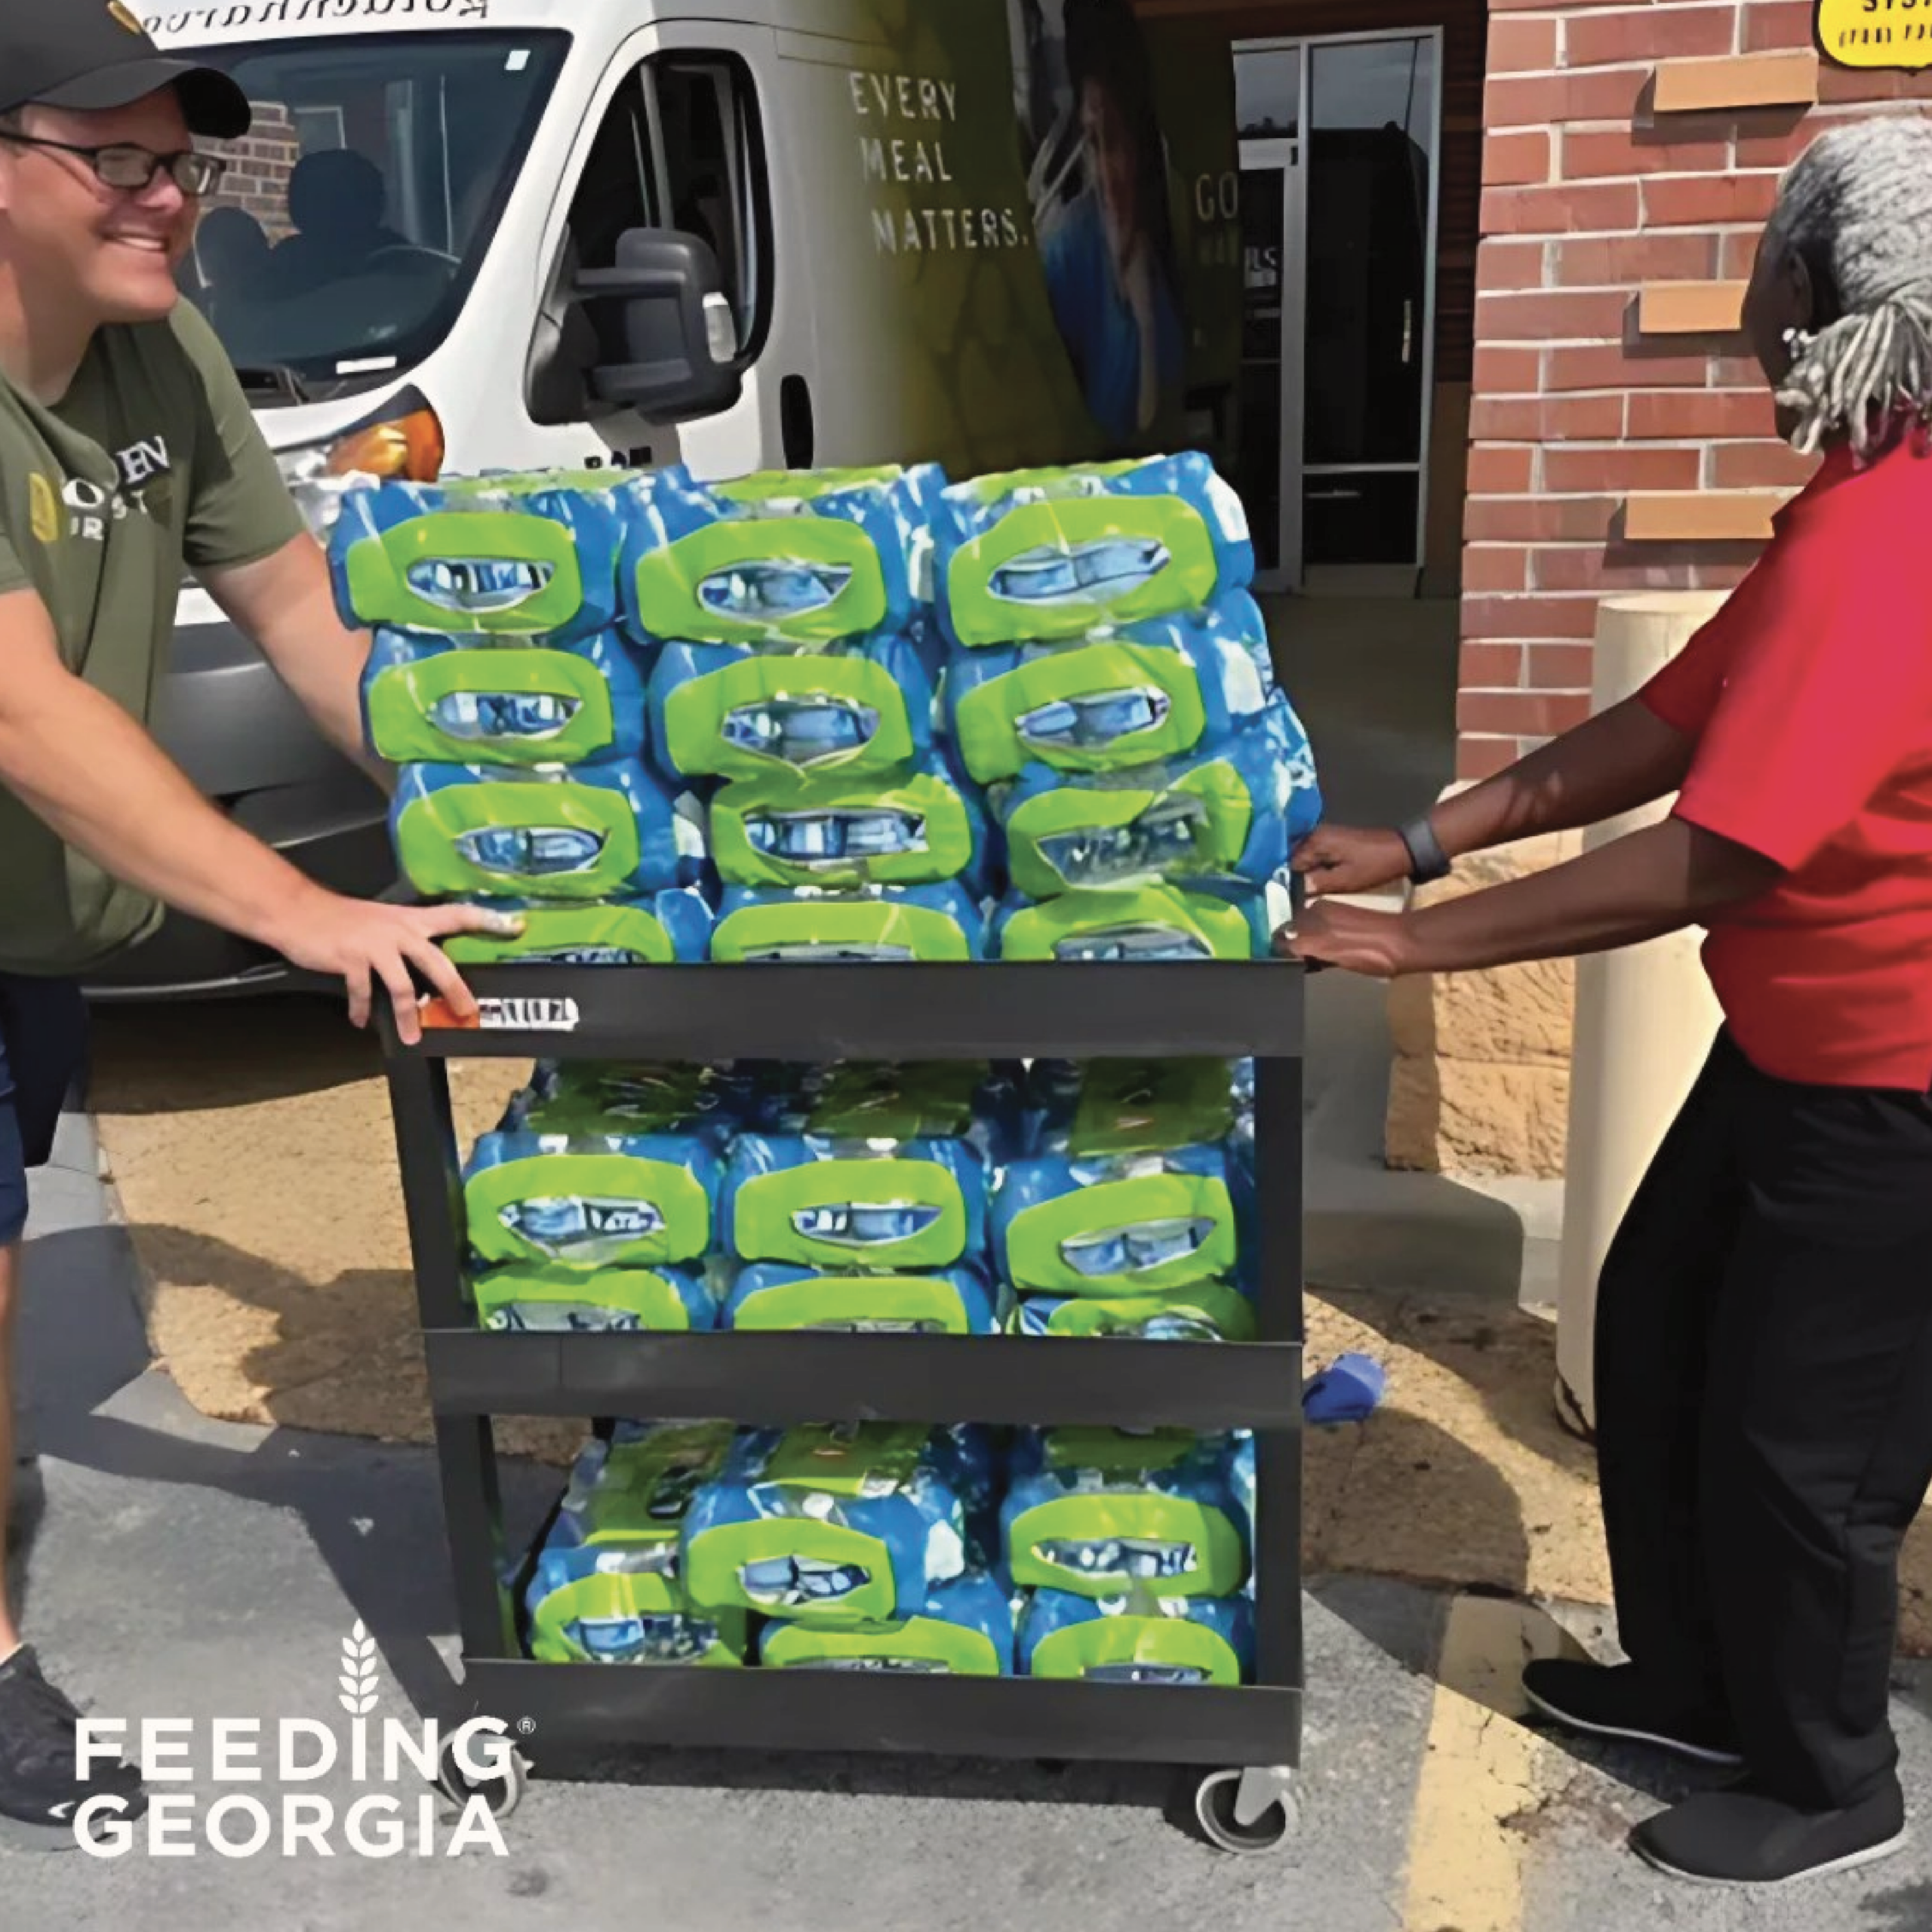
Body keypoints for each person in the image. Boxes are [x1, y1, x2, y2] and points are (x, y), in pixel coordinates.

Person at [1284, 116, 1932, 1889]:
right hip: (1802, 1045)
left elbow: (1718, 849)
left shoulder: (1898, 548)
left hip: (1895, 1088)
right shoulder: (1849, 516)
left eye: (1767, 252)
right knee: (1652, 1326)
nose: (1744, 287)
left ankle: (1822, 1778)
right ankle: (1690, 1677)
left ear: (1820, 290)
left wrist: (1414, 950)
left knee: (1808, 1451)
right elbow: (1658, 729)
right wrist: (1419, 840)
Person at [0, 0, 510, 1847]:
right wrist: (304, 910)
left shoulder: (161, 351)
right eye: (114, 160)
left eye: (181, 161)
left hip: (30, 915)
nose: (166, 200)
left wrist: (507, 824)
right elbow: (25, 708)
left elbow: (306, 623)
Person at [1036, 0, 1186, 444]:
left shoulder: (1163, 241)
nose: (1105, 173)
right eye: (1093, 143)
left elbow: (1151, 418)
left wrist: (1142, 318)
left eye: (1114, 143)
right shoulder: (1064, 249)